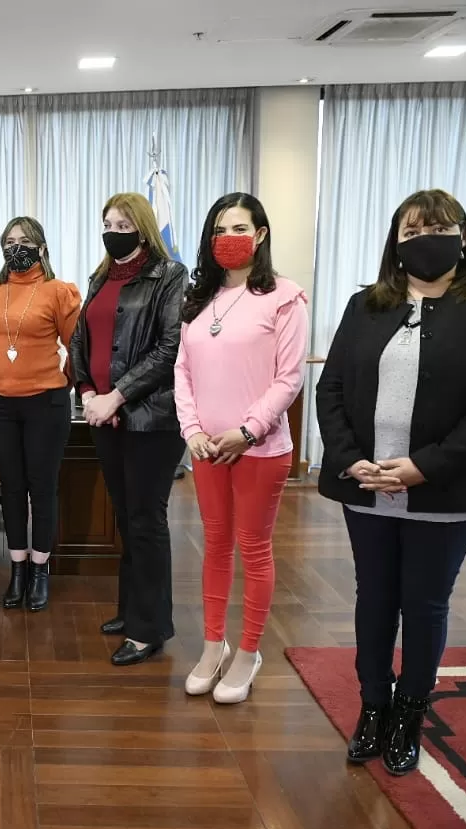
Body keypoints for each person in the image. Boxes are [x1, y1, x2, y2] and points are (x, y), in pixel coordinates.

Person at [316, 189, 466, 776]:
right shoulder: (367, 306)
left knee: (424, 604)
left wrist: (424, 465)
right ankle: (373, 707)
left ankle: (410, 711)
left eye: (437, 228)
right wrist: (350, 458)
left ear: (462, 235)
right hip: (367, 483)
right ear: (396, 243)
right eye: (411, 232)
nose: (424, 239)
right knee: (374, 599)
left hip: (445, 489)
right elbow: (331, 390)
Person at [174, 193, 308, 703]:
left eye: (239, 228)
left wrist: (248, 430)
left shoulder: (284, 297)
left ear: (261, 234)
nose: (228, 238)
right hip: (207, 448)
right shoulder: (198, 299)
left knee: (253, 549)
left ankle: (249, 653)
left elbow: (289, 377)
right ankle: (215, 645)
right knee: (215, 546)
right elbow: (182, 371)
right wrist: (192, 431)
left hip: (259, 448)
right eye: (219, 230)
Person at [69, 192, 188, 666]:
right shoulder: (102, 275)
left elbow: (170, 346)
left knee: (146, 519)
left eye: (122, 223)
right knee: (126, 517)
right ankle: (131, 609)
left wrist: (116, 396)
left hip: (150, 419)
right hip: (102, 415)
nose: (112, 230)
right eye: (106, 222)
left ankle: (149, 628)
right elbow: (81, 339)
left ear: (142, 226)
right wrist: (86, 393)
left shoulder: (170, 275)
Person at [0, 216, 81, 611]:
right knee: (12, 487)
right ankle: (17, 569)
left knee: (43, 488)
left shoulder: (59, 291)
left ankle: (40, 570)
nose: (15, 247)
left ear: (41, 247)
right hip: (0, 404)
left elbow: (76, 348)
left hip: (46, 404)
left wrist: (59, 383)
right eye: (9, 241)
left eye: (24, 240)